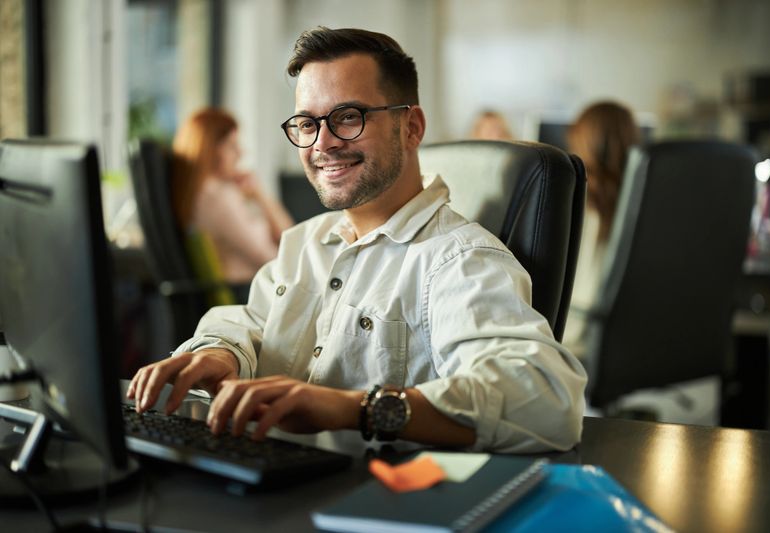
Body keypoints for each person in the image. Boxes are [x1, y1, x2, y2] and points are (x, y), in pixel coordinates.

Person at [128, 27, 586, 453]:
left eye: (348, 117)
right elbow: (250, 323)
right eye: (308, 124)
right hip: (271, 486)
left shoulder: (459, 260)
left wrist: (355, 407)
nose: (323, 143)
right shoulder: (306, 243)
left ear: (411, 128)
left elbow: (545, 399)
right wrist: (219, 352)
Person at [171, 108, 294, 285]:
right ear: (211, 150)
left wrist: (258, 195)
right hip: (250, 293)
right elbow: (270, 257)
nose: (241, 153)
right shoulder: (217, 196)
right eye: (232, 145)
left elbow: (290, 238)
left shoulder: (204, 193)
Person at [562, 101, 641, 361]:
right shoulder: (643, 203)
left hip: (576, 347)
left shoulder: (576, 205)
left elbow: (579, 308)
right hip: (631, 344)